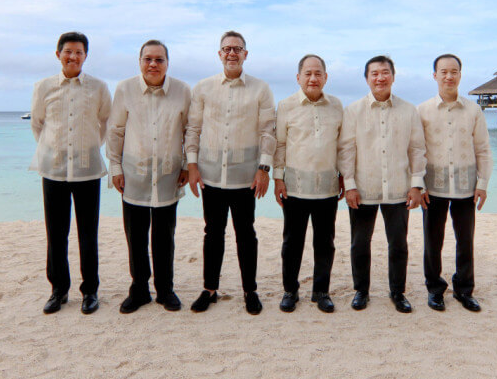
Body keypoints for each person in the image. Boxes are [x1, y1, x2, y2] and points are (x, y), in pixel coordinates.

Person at [185, 31, 276, 315]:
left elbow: (267, 132)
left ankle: (250, 290)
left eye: (237, 49)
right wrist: (191, 166)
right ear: (219, 54)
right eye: (227, 49)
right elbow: (194, 129)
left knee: (246, 234)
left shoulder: (260, 89)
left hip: (245, 177)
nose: (232, 53)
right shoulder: (203, 87)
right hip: (211, 176)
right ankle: (210, 289)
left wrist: (264, 168)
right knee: (212, 233)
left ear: (246, 54)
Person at [30, 32, 111, 315]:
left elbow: (105, 123)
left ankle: (90, 291)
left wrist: (88, 148)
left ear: (85, 56)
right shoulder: (43, 87)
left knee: (88, 234)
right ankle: (58, 290)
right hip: (53, 169)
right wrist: (55, 149)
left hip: (87, 170)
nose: (73, 56)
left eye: (79, 52)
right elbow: (38, 124)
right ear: (58, 54)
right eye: (68, 51)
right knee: (56, 233)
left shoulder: (99, 87)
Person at [107, 40, 191, 313]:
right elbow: (116, 130)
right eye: (148, 59)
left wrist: (189, 165)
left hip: (168, 176)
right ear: (140, 61)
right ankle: (140, 290)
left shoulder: (182, 91)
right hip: (134, 176)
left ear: (167, 62)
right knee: (136, 236)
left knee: (165, 237)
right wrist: (116, 168)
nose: (153, 64)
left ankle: (165, 290)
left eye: (159, 59)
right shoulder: (125, 89)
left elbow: (190, 130)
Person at [339, 55, 426, 313]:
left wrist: (417, 185)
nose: (380, 77)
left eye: (385, 72)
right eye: (374, 73)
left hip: (399, 188)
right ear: (367, 79)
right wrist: (350, 184)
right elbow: (346, 150)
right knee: (359, 243)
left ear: (393, 76)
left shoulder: (409, 110)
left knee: (398, 243)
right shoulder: (353, 110)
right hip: (364, 188)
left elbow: (418, 149)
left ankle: (397, 292)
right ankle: (361, 291)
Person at [418, 54, 493, 312]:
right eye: (443, 72)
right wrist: (418, 184)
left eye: (454, 72)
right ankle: (435, 290)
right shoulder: (423, 110)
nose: (449, 76)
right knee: (432, 240)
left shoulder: (473, 109)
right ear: (435, 75)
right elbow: (416, 150)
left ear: (460, 75)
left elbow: (482, 148)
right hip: (432, 187)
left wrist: (482, 183)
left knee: (465, 240)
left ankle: (464, 290)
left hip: (465, 186)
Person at [274, 54, 345, 313]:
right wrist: (277, 179)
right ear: (298, 77)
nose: (313, 78)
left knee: (325, 242)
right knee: (292, 242)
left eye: (318, 73)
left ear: (326, 77)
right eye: (308, 73)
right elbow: (279, 145)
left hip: (327, 188)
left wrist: (345, 178)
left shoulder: (337, 106)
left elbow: (343, 147)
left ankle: (321, 291)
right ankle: (290, 290)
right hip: (294, 187)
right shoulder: (286, 106)